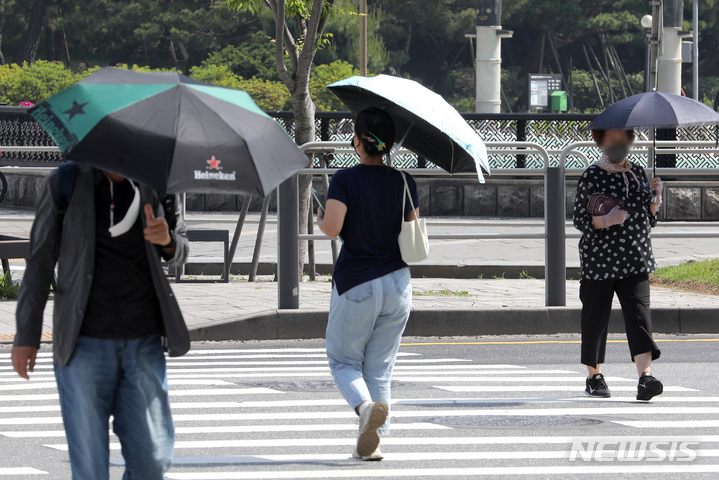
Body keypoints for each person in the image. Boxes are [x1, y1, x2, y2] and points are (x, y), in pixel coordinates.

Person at [12, 162, 190, 479]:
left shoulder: (158, 181)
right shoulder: (64, 182)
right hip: (83, 344)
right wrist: (27, 336)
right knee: (90, 468)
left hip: (144, 342)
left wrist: (168, 241)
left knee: (152, 462)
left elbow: (180, 248)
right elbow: (40, 262)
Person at [317, 107, 419, 461]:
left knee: (343, 361)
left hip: (358, 282)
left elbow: (331, 228)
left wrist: (321, 215)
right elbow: (412, 229)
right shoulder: (404, 180)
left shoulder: (344, 179)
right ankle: (374, 441)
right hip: (398, 284)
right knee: (379, 366)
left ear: (357, 141)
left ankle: (364, 409)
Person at [573, 128, 664, 401]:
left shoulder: (637, 172)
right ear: (601, 142)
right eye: (611, 139)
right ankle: (594, 376)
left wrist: (655, 202)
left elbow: (647, 220)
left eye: (622, 138)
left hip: (635, 257)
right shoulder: (592, 174)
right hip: (599, 260)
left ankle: (645, 378)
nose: (618, 144)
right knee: (596, 319)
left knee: (639, 316)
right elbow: (579, 219)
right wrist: (606, 220)